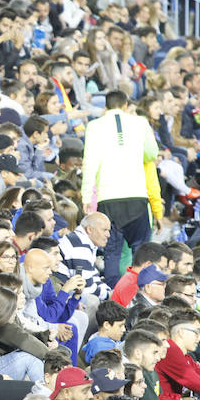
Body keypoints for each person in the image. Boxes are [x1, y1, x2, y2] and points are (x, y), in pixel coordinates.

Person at [81, 91, 159, 286]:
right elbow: (152, 153)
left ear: (105, 107)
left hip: (108, 199)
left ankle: (112, 297)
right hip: (137, 197)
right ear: (125, 105)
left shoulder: (94, 126)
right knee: (141, 253)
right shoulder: (140, 123)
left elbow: (89, 163)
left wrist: (85, 197)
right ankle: (143, 293)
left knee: (112, 253)